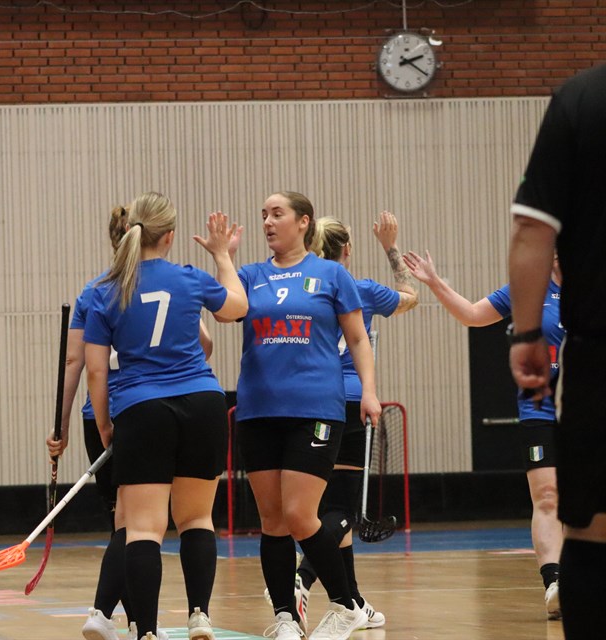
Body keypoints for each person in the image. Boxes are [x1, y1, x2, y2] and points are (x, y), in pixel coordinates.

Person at [83, 192, 248, 640]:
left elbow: (96, 370)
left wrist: (104, 424)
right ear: (170, 236)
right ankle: (199, 616)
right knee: (196, 519)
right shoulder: (190, 278)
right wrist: (222, 256)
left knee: (142, 529)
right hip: (203, 405)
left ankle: (148, 632)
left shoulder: (105, 291)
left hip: (142, 410)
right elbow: (237, 307)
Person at [46, 205, 215, 640]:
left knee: (130, 524)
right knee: (154, 523)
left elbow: (76, 363)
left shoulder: (95, 291)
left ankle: (120, 618)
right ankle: (122, 616)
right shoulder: (176, 282)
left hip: (110, 414)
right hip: (164, 407)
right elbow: (205, 344)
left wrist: (61, 429)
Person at [228, 191, 380, 640]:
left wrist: (369, 392)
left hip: (315, 408)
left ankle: (346, 605)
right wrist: (222, 256)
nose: (268, 222)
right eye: (264, 215)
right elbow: (223, 312)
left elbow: (358, 339)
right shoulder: (249, 275)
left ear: (303, 222)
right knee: (272, 521)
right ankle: (285, 617)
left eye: (277, 214)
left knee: (299, 515)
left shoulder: (331, 274)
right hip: (258, 409)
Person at [403, 249, 565, 618]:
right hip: (539, 409)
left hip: (586, 409)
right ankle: (555, 584)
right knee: (547, 497)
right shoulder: (528, 288)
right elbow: (473, 315)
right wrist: (435, 282)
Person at [506, 64, 606, 639]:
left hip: (598, 353)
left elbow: (532, 229)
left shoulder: (581, 99)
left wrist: (526, 337)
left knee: (592, 530)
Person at [290, 212, 418, 631]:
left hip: (308, 404)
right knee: (342, 511)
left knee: (327, 509)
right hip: (348, 402)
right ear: (347, 249)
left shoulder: (305, 289)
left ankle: (353, 601)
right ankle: (303, 576)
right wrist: (390, 247)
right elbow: (410, 295)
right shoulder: (361, 290)